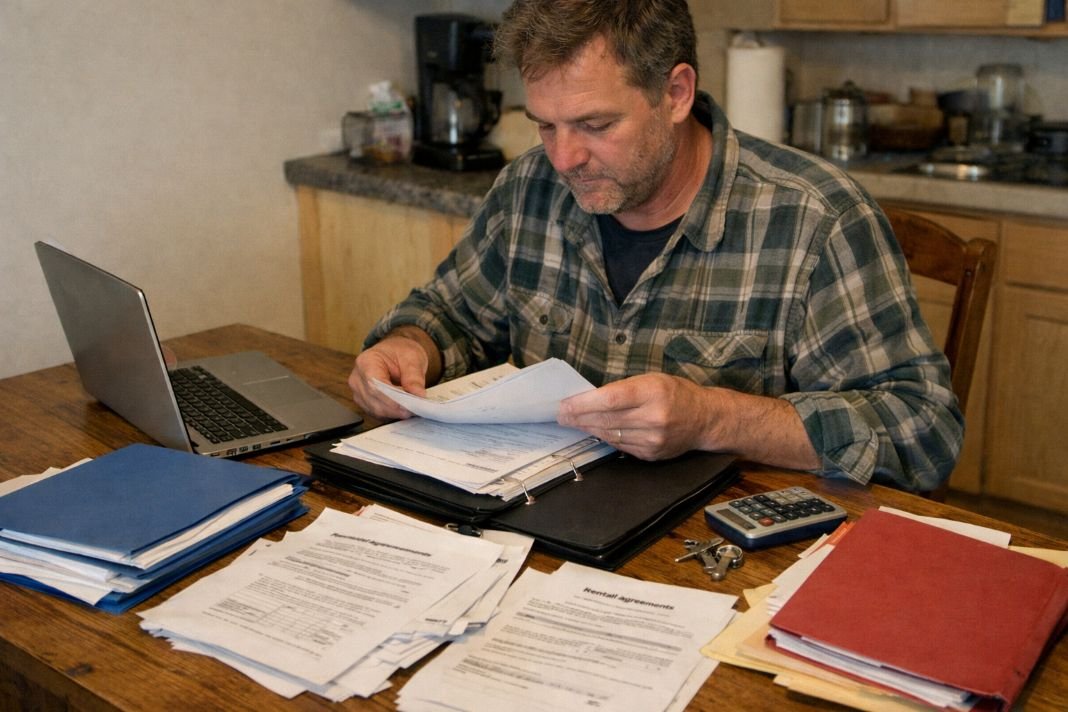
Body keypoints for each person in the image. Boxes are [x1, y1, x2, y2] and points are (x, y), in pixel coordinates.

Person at [348, 0, 963, 493]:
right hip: (539, 524)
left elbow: (924, 429)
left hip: (722, 560)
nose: (564, 158)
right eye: (545, 125)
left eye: (595, 125)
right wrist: (410, 346)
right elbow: (451, 314)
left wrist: (715, 418)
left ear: (675, 94)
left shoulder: (813, 219)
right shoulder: (528, 188)